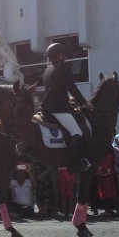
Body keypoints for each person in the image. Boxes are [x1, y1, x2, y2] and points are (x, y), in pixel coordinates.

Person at [41, 42, 93, 174]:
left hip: (48, 107)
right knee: (77, 132)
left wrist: (68, 98)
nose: (65, 56)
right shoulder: (62, 68)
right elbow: (72, 88)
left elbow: (56, 90)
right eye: (64, 54)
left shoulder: (48, 69)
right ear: (59, 55)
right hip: (59, 109)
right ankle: (73, 163)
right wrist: (84, 103)